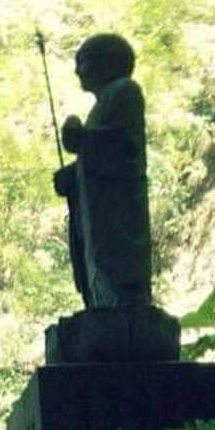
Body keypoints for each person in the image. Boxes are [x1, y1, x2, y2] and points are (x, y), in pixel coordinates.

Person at [53, 33, 152, 309]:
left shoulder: (125, 91)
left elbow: (123, 146)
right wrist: (73, 175)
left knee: (120, 276)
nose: (77, 70)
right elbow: (97, 158)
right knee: (100, 279)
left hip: (118, 213)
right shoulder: (101, 105)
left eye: (82, 61)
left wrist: (82, 138)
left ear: (108, 62)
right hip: (100, 215)